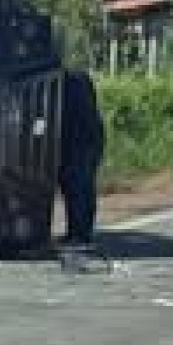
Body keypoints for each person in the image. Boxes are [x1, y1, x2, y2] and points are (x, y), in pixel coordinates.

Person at [58, 69, 105, 247]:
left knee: (78, 187)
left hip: (82, 141)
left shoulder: (69, 84)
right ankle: (79, 232)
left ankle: (80, 234)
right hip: (85, 140)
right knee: (79, 188)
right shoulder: (79, 81)